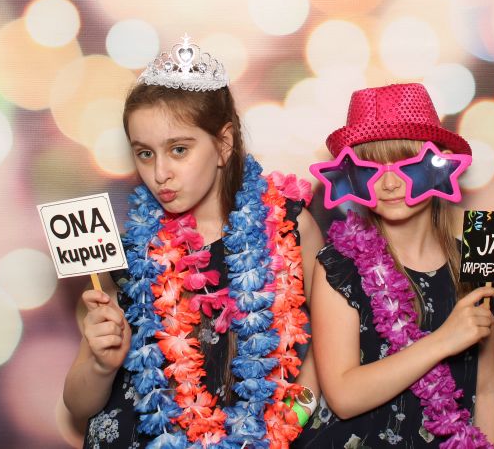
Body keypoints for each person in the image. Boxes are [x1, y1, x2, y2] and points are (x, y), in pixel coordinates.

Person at [63, 34, 324, 449]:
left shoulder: (289, 227)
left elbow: (328, 351)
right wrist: (100, 364)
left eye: (179, 150)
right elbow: (78, 405)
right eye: (145, 153)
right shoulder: (132, 256)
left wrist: (287, 425)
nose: (159, 173)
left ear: (223, 144)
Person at [296, 83, 494, 449]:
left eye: (408, 166)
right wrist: (443, 341)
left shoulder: (475, 261)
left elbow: (485, 389)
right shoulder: (339, 265)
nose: (389, 183)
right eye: (371, 169)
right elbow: (343, 395)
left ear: (439, 167)